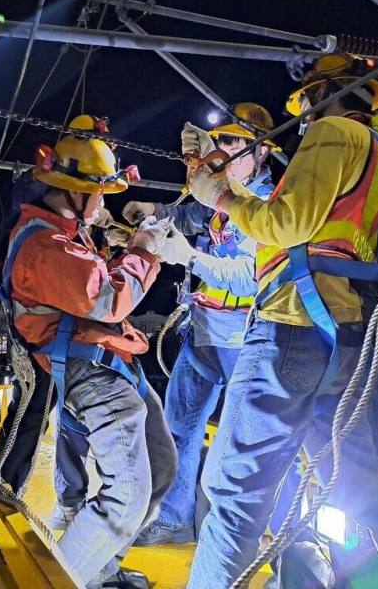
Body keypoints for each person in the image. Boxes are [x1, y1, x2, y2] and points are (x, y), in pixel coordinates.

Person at [181, 54, 378, 589]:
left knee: (234, 495)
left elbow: (286, 223)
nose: (301, 117)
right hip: (339, 330)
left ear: (324, 94)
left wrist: (221, 196)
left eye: (304, 102)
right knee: (358, 482)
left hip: (289, 328)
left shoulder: (331, 131)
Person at [0, 121, 176, 589]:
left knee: (158, 467)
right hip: (84, 368)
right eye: (101, 194)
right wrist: (143, 251)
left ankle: (98, 567)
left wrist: (116, 244)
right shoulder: (44, 245)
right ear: (76, 194)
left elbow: (88, 281)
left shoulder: (63, 232)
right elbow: (110, 298)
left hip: (105, 360)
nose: (105, 204)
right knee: (129, 493)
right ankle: (59, 580)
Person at [119, 103, 278, 546]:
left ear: (260, 152)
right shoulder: (222, 197)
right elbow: (190, 217)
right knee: (178, 429)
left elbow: (249, 277)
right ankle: (172, 519)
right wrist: (151, 211)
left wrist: (187, 256)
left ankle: (261, 532)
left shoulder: (265, 205)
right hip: (204, 332)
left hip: (245, 339)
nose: (224, 151)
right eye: (221, 142)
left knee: (245, 444)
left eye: (234, 143)